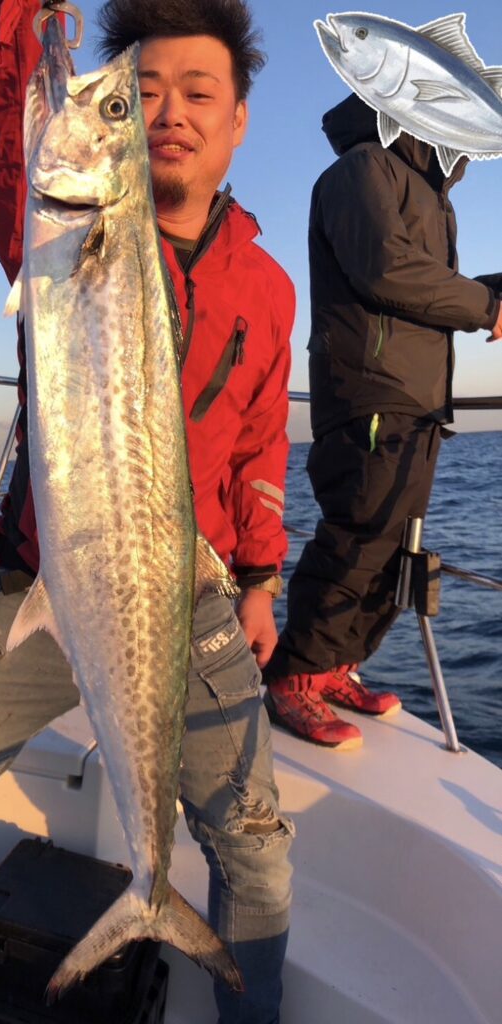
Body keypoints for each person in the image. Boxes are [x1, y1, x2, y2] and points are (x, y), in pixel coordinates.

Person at [0, 1, 296, 1022]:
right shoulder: (53, 230)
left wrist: (262, 578)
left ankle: (212, 968)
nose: (165, 112)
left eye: (196, 93)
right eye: (142, 93)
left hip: (187, 595)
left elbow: (261, 445)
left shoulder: (266, 287)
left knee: (257, 852)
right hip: (37, 580)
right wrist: (14, 18)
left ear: (237, 120)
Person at [263, 91, 502, 751]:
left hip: (414, 394)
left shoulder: (426, 191)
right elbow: (387, 270)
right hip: (369, 388)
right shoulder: (362, 168)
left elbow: (424, 284)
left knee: (395, 542)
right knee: (360, 533)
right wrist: (487, 307)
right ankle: (293, 675)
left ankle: (334, 666)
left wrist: (493, 290)